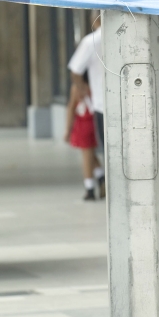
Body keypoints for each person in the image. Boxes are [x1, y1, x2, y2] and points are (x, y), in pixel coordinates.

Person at [68, 15, 106, 199]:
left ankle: (100, 183)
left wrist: (83, 91)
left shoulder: (91, 41)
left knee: (104, 149)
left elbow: (75, 71)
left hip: (101, 103)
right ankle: (102, 180)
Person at [65, 74, 103, 201]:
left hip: (84, 123)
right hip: (94, 121)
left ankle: (90, 188)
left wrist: (68, 130)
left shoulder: (77, 88)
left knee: (86, 157)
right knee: (90, 153)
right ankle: (101, 177)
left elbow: (71, 108)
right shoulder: (97, 86)